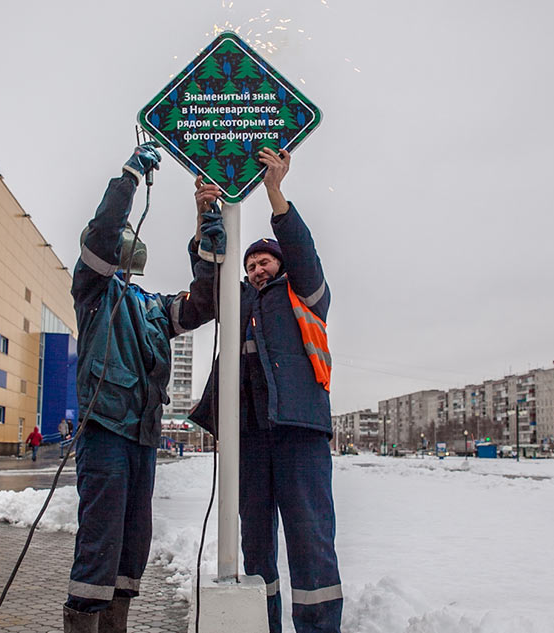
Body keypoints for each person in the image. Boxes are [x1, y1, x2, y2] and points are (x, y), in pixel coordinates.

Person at [63, 143, 223, 632]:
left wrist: (206, 222)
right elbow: (103, 230)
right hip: (106, 431)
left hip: (143, 439)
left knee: (132, 545)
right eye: (123, 238)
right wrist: (130, 178)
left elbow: (206, 301)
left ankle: (116, 624)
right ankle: (85, 622)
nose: (125, 240)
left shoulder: (155, 307)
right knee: (99, 542)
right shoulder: (93, 291)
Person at [190, 148, 342, 633]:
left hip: (299, 432)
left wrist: (276, 194)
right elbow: (207, 277)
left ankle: (319, 628)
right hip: (248, 439)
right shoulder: (234, 300)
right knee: (254, 544)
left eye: (265, 261)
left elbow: (303, 254)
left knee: (310, 538)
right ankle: (265, 626)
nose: (257, 268)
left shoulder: (304, 293)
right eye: (251, 263)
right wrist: (205, 216)